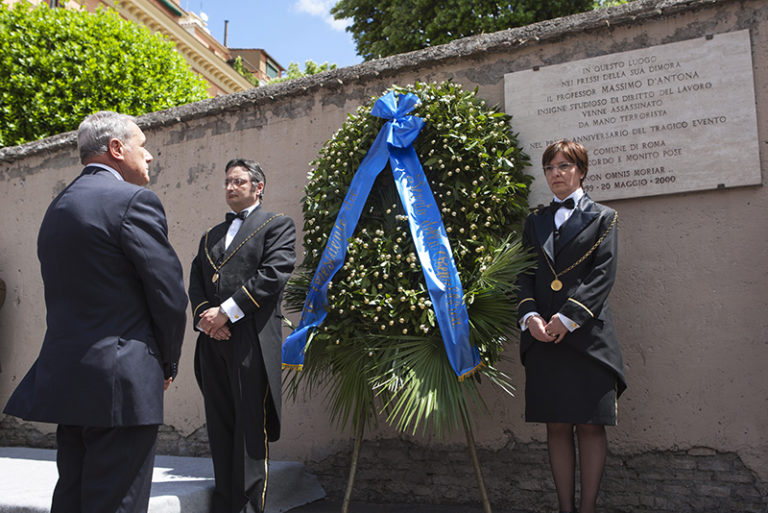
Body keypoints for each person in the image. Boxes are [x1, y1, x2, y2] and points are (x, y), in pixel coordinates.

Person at [3, 111, 188, 513]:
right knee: (117, 501)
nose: (150, 156)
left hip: (69, 377)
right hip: (122, 381)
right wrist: (167, 362)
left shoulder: (58, 207)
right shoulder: (134, 200)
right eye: (143, 145)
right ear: (117, 149)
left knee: (73, 495)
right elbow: (169, 294)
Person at [516, 140, 626, 513]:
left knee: (591, 425)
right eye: (549, 168)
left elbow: (602, 275)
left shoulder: (603, 217)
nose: (556, 174)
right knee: (557, 426)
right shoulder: (535, 220)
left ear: (581, 170)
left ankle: (588, 508)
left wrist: (568, 318)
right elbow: (524, 275)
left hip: (587, 339)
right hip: (544, 337)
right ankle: (565, 509)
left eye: (563, 166)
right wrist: (530, 317)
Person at [189, 158, 296, 513]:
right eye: (227, 182)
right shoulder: (210, 236)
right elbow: (197, 283)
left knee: (251, 423)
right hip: (213, 343)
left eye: (238, 181)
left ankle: (250, 506)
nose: (230, 187)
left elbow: (272, 274)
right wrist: (207, 320)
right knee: (220, 423)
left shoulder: (277, 225)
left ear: (257, 187)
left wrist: (226, 314)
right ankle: (225, 502)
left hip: (251, 338)